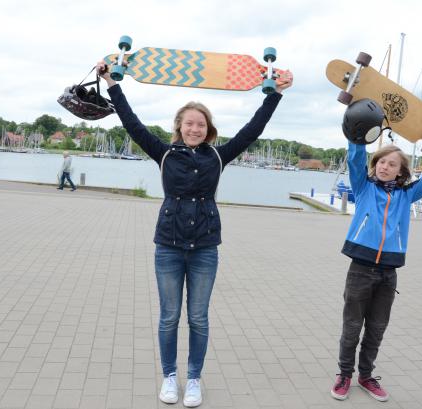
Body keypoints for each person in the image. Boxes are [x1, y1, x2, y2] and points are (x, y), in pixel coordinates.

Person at [96, 61, 292, 407]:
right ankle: (170, 377)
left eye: (200, 124)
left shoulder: (218, 156)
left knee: (198, 317)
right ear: (180, 126)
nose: (195, 129)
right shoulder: (164, 153)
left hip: (204, 248)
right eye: (189, 123)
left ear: (208, 129)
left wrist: (274, 94)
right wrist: (112, 83)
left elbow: (251, 131)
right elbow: (132, 124)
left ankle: (195, 379)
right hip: (168, 247)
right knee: (170, 316)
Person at [330, 123, 422, 402]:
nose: (385, 166)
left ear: (400, 171)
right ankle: (344, 374)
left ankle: (366, 375)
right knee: (351, 328)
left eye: (392, 164)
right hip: (360, 269)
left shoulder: (406, 195)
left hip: (388, 273)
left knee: (377, 329)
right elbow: (357, 158)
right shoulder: (363, 187)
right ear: (375, 165)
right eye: (381, 161)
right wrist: (358, 135)